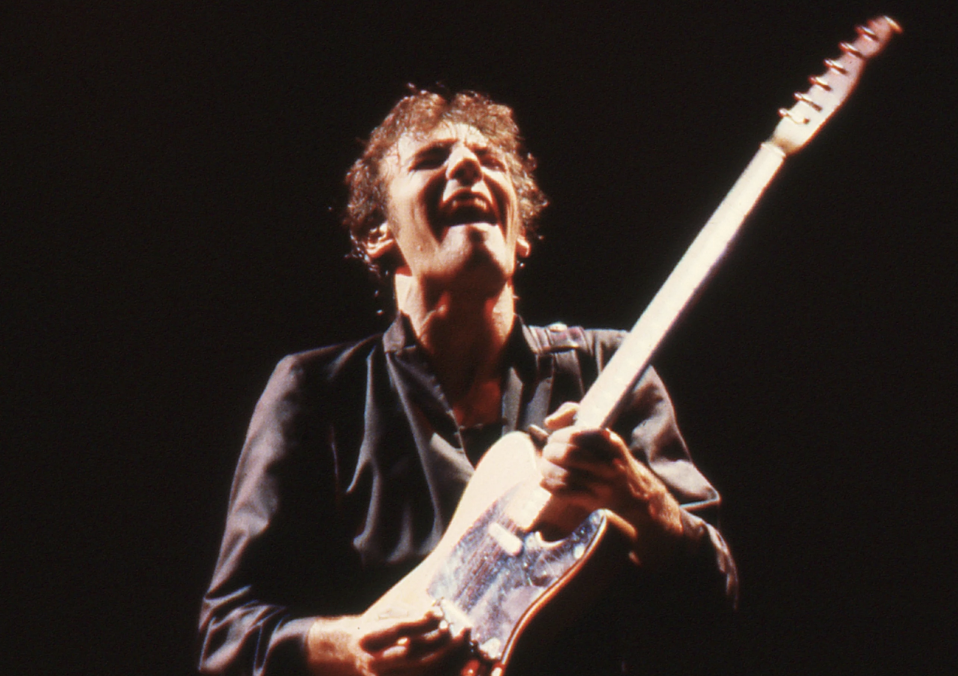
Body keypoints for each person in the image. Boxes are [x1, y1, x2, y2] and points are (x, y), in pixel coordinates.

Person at [198, 89, 737, 676]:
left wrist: (640, 499)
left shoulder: (612, 368)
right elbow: (229, 636)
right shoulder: (317, 391)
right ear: (380, 232)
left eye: (489, 160)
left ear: (520, 235)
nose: (465, 166)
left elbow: (716, 600)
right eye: (430, 159)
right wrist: (351, 645)